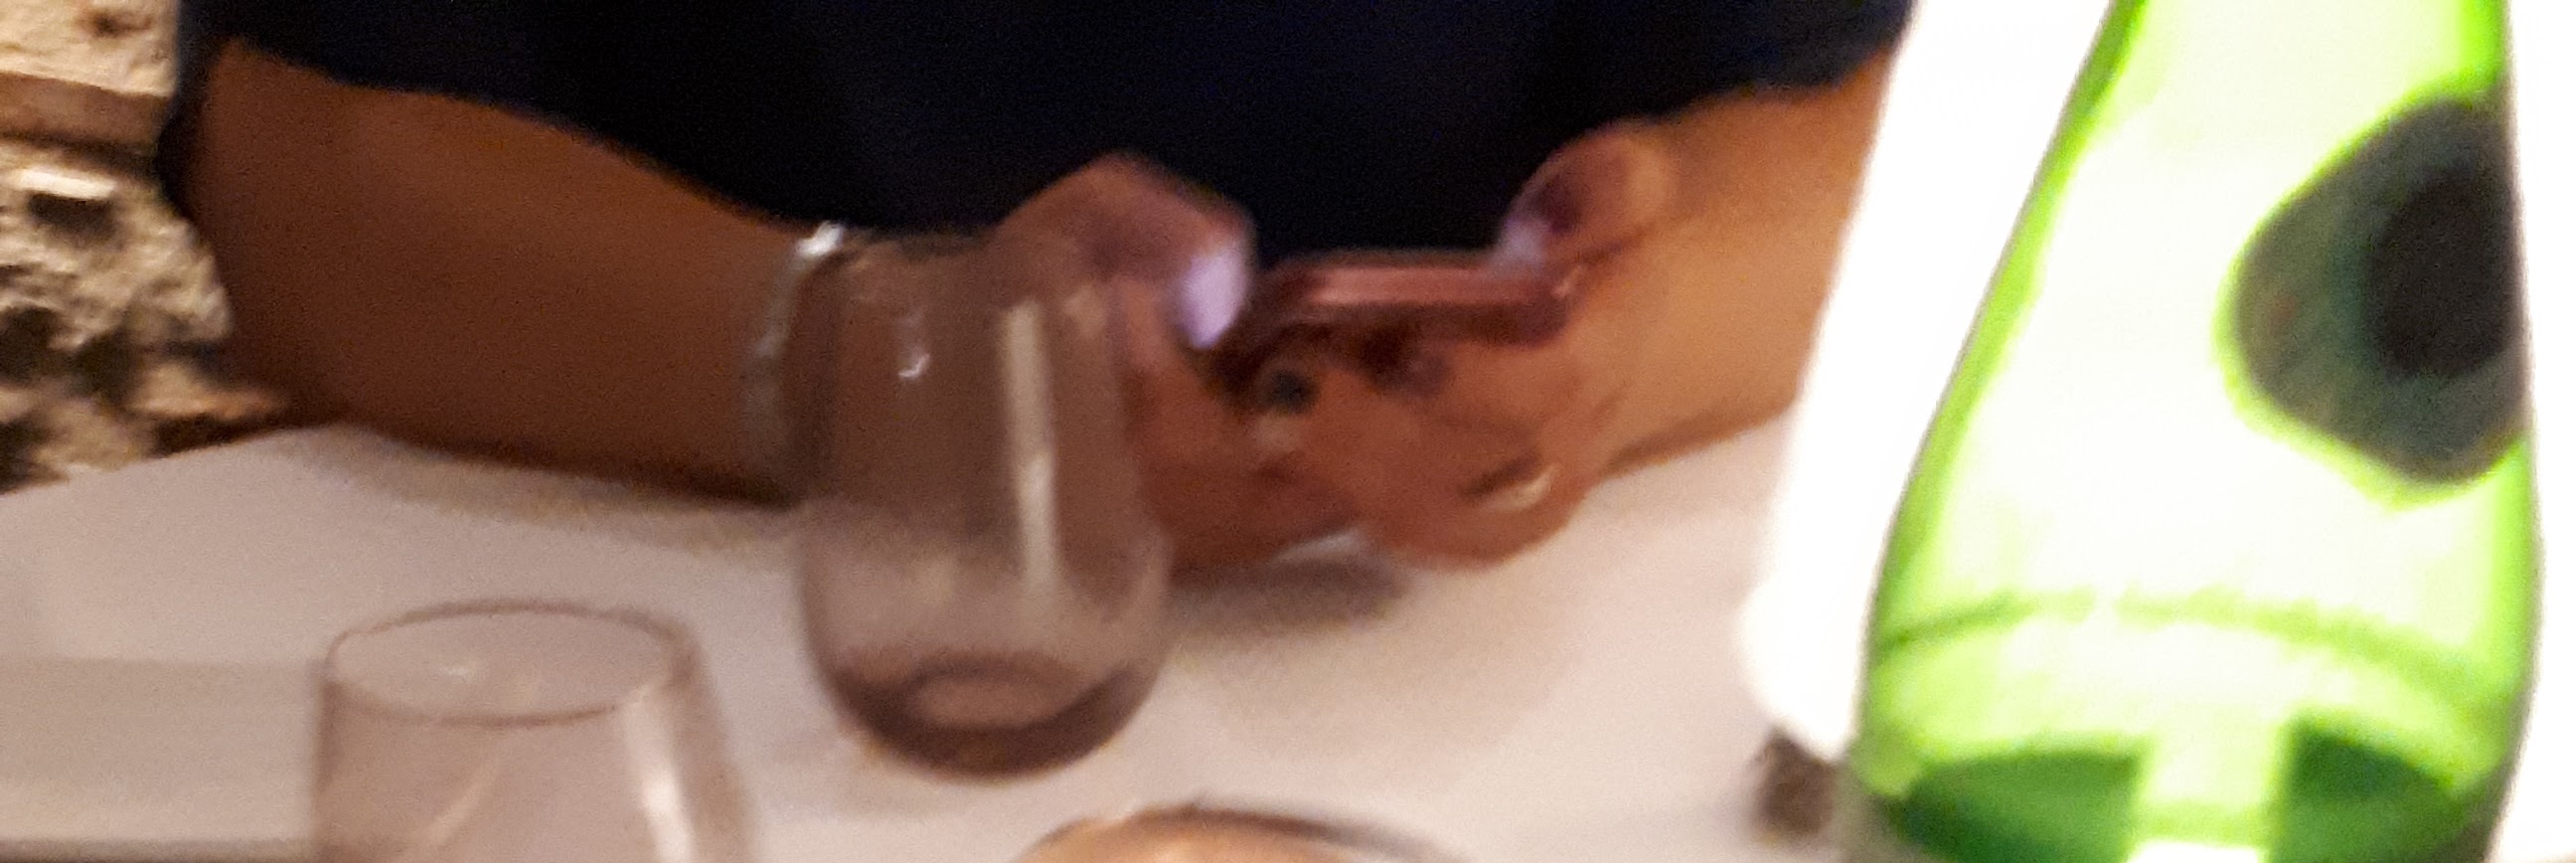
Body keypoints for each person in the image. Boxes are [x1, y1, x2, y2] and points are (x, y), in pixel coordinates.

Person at [168, 3, 1905, 571]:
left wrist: (1606, 351)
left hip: (1433, 664)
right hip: (687, 631)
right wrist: (873, 366)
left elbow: (1841, 130)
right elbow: (298, 186)